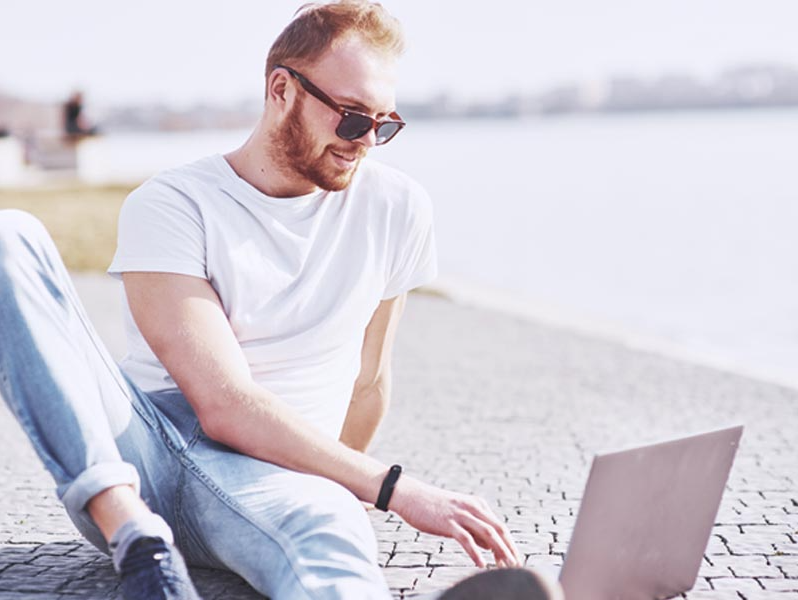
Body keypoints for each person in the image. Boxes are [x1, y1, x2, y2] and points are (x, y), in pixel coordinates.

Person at [0, 2, 562, 599]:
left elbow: (369, 382)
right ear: (281, 89)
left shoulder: (398, 209)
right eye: (350, 119)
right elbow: (222, 404)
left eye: (383, 124)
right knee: (9, 238)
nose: (365, 142)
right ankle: (140, 542)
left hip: (276, 477)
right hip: (142, 464)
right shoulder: (173, 204)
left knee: (332, 541)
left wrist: (334, 490)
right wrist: (393, 488)